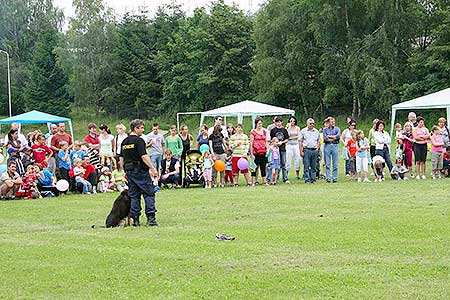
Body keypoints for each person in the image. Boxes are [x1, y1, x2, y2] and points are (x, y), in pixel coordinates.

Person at [120, 119, 159, 227]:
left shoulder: (124, 142)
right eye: (141, 127)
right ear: (135, 128)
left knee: (134, 195)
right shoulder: (139, 141)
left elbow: (121, 158)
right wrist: (152, 168)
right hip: (140, 170)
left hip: (129, 171)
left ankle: (135, 220)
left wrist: (124, 171)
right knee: (149, 193)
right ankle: (151, 218)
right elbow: (144, 156)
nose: (143, 130)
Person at [268, 116, 290, 184]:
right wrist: (274, 144)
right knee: (273, 164)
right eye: (277, 122)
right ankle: (273, 179)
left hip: (282, 149)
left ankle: (285, 178)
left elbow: (287, 139)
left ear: (281, 122)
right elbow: (270, 140)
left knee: (283, 164)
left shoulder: (284, 130)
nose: (278, 123)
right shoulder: (273, 130)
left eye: (280, 122)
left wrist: (282, 142)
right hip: (274, 150)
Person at [299, 118, 320, 184]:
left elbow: (319, 141)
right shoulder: (303, 131)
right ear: (307, 123)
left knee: (314, 166)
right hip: (306, 150)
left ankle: (313, 179)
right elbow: (300, 141)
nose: (312, 125)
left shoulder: (316, 131)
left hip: (314, 150)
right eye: (310, 123)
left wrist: (317, 149)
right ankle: (307, 179)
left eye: (313, 123)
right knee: (306, 166)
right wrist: (301, 151)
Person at [250, 117, 269, 185]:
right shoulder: (253, 132)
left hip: (263, 151)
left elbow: (266, 141)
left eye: (261, 123)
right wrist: (251, 153)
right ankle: (253, 181)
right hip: (256, 152)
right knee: (254, 167)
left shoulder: (264, 132)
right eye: (258, 123)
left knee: (263, 166)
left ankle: (264, 181)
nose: (260, 125)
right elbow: (251, 143)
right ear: (256, 124)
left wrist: (267, 149)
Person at [323, 117, 340, 183]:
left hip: (335, 145)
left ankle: (335, 177)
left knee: (335, 163)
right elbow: (325, 139)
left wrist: (330, 136)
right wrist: (334, 137)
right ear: (328, 122)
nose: (333, 123)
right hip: (327, 146)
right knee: (327, 162)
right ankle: (328, 177)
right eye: (332, 122)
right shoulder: (325, 129)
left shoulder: (337, 129)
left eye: (334, 121)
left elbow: (338, 137)